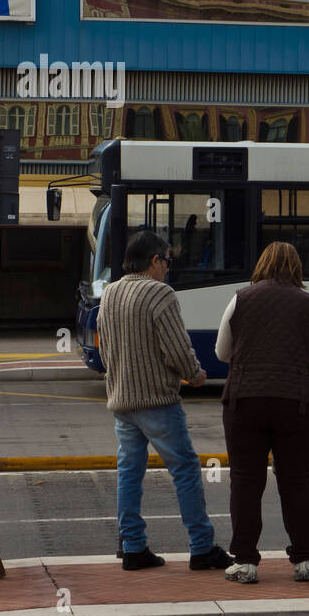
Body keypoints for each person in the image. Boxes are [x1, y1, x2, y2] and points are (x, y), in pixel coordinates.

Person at [97, 230, 231, 571]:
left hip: (122, 401)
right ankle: (201, 547)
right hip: (157, 400)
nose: (168, 269)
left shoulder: (109, 293)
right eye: (166, 261)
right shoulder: (159, 294)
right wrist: (196, 374)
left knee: (129, 473)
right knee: (185, 470)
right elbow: (177, 348)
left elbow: (105, 348)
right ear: (154, 261)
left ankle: (133, 547)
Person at [215, 242, 309, 584]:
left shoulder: (240, 297)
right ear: (295, 267)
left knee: (246, 482)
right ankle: (303, 560)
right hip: (294, 403)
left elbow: (222, 352)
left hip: (244, 401)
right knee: (296, 482)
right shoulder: (308, 303)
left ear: (262, 264)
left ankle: (246, 562)